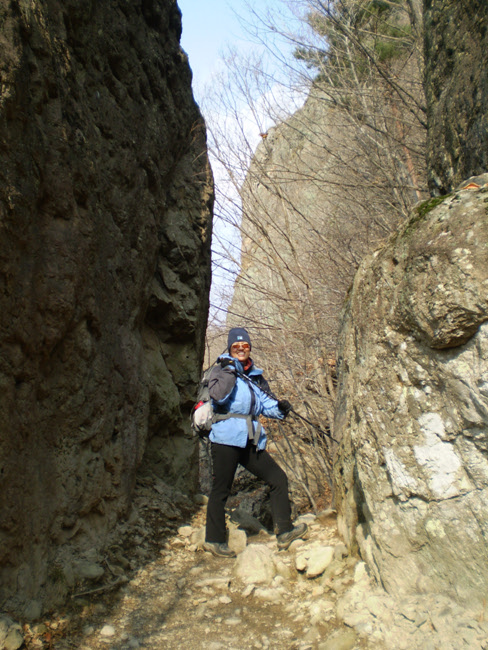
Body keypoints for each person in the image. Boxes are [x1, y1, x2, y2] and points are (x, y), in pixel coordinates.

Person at [203, 327, 308, 558]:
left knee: (278, 478)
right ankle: (214, 539)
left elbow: (264, 404)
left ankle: (284, 532)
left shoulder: (255, 376)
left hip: (250, 438)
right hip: (225, 438)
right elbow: (218, 397)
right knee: (221, 489)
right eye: (236, 346)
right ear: (230, 348)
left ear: (250, 348)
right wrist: (231, 371)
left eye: (245, 346)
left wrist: (280, 409)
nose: (241, 349)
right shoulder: (220, 369)